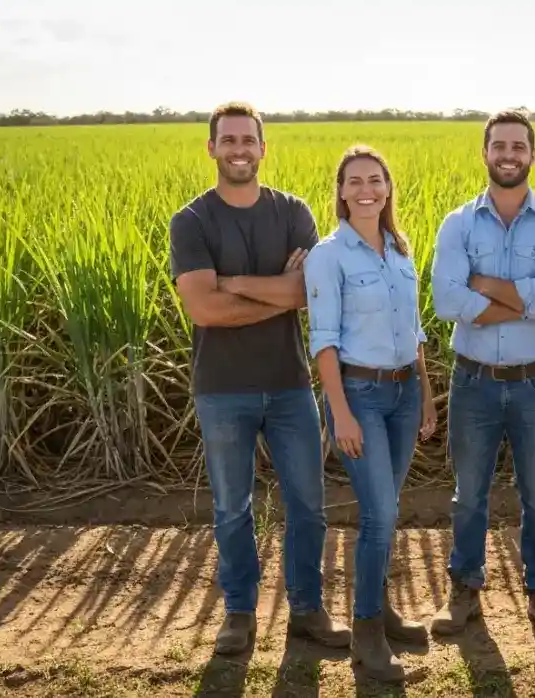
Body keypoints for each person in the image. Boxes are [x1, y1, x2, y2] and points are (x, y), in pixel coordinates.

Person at [167, 101, 350, 655]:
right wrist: (277, 291)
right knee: (232, 506)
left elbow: (308, 294)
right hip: (221, 387)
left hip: (291, 382)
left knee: (308, 505)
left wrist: (236, 283)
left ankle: (308, 610)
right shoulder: (192, 221)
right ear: (212, 148)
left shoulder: (292, 212)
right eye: (229, 140)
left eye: (249, 140)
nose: (240, 149)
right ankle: (239, 614)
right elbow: (204, 311)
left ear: (263, 148)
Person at [429, 109, 535, 642]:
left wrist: (483, 284)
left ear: (533, 154)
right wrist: (525, 295)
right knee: (468, 493)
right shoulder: (458, 223)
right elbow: (446, 300)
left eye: (518, 146)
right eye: (499, 146)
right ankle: (465, 590)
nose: (509, 155)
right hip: (473, 381)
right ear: (485, 152)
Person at [303, 145, 438, 680]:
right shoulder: (328, 255)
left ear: (387, 188)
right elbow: (325, 342)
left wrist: (426, 393)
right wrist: (341, 413)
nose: (367, 189)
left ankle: (380, 609)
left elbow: (415, 331)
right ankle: (367, 636)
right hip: (360, 396)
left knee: (389, 508)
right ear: (340, 191)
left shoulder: (399, 249)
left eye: (376, 180)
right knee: (379, 515)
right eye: (355, 180)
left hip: (405, 393)